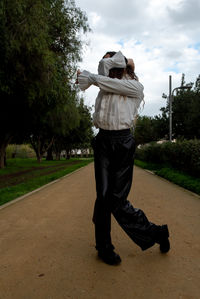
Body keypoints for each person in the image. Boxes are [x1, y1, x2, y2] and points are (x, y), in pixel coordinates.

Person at [77, 51, 170, 265]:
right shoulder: (104, 85)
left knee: (116, 201)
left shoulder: (134, 87)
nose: (107, 64)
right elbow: (101, 80)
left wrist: (94, 77)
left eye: (112, 60)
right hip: (102, 141)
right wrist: (91, 77)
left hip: (123, 143)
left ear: (122, 65)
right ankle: (103, 247)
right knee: (102, 197)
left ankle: (157, 233)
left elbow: (108, 80)